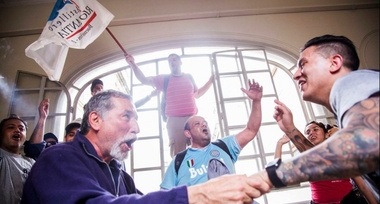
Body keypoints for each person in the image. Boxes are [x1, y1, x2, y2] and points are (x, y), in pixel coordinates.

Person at [21, 89, 263, 203]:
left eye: (136, 120)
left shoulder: (121, 176)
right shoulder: (59, 158)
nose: (136, 128)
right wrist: (199, 194)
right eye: (127, 117)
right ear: (95, 120)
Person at [245, 35, 379, 202]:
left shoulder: (352, 83)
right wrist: (290, 130)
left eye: (302, 64)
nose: (295, 75)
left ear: (334, 63)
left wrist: (267, 177)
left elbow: (366, 142)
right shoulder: (352, 99)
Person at [160, 79, 262, 189]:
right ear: (188, 133)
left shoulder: (224, 146)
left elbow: (251, 130)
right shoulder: (179, 161)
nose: (204, 125)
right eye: (197, 124)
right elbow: (165, 195)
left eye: (205, 123)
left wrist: (256, 102)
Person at [125, 53, 215, 157]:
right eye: (170, 61)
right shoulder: (164, 79)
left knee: (202, 149)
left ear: (180, 62)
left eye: (174, 59)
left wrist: (210, 81)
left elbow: (197, 94)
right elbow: (144, 80)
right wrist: (132, 64)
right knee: (179, 155)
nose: (172, 62)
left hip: (192, 118)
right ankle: (181, 173)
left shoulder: (189, 77)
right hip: (175, 121)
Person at [274, 121, 358, 203]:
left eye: (315, 129)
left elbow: (361, 183)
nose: (311, 133)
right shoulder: (304, 159)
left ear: (326, 134)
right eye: (308, 132)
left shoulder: (340, 152)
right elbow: (276, 172)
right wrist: (279, 143)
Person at [0, 98, 49, 204]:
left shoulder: (30, 162)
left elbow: (36, 148)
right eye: (10, 127)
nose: (17, 130)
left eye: (21, 129)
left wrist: (42, 118)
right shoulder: (2, 158)